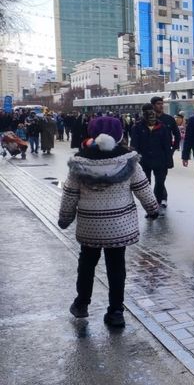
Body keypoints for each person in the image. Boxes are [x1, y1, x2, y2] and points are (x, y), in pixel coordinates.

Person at [58, 116, 159, 327]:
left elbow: (70, 194)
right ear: (120, 134)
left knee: (87, 263)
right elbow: (143, 188)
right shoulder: (129, 160)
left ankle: (81, 304)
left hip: (90, 225)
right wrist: (153, 208)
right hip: (118, 226)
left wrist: (65, 219)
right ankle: (115, 312)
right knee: (116, 267)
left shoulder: (79, 161)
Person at [131, 104, 173, 209]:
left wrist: (169, 160)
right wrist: (134, 160)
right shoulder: (137, 127)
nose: (150, 115)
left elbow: (167, 145)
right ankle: (150, 205)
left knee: (160, 182)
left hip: (160, 160)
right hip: (144, 161)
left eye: (151, 112)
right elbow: (134, 145)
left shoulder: (162, 127)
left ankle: (158, 202)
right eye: (147, 112)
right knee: (146, 184)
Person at [150, 96, 181, 208]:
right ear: (152, 105)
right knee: (150, 179)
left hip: (164, 154)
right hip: (150, 153)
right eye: (158, 103)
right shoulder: (148, 119)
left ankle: (161, 198)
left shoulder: (168, 119)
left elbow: (177, 134)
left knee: (161, 178)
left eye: (162, 103)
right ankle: (157, 199)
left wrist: (174, 148)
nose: (161, 106)